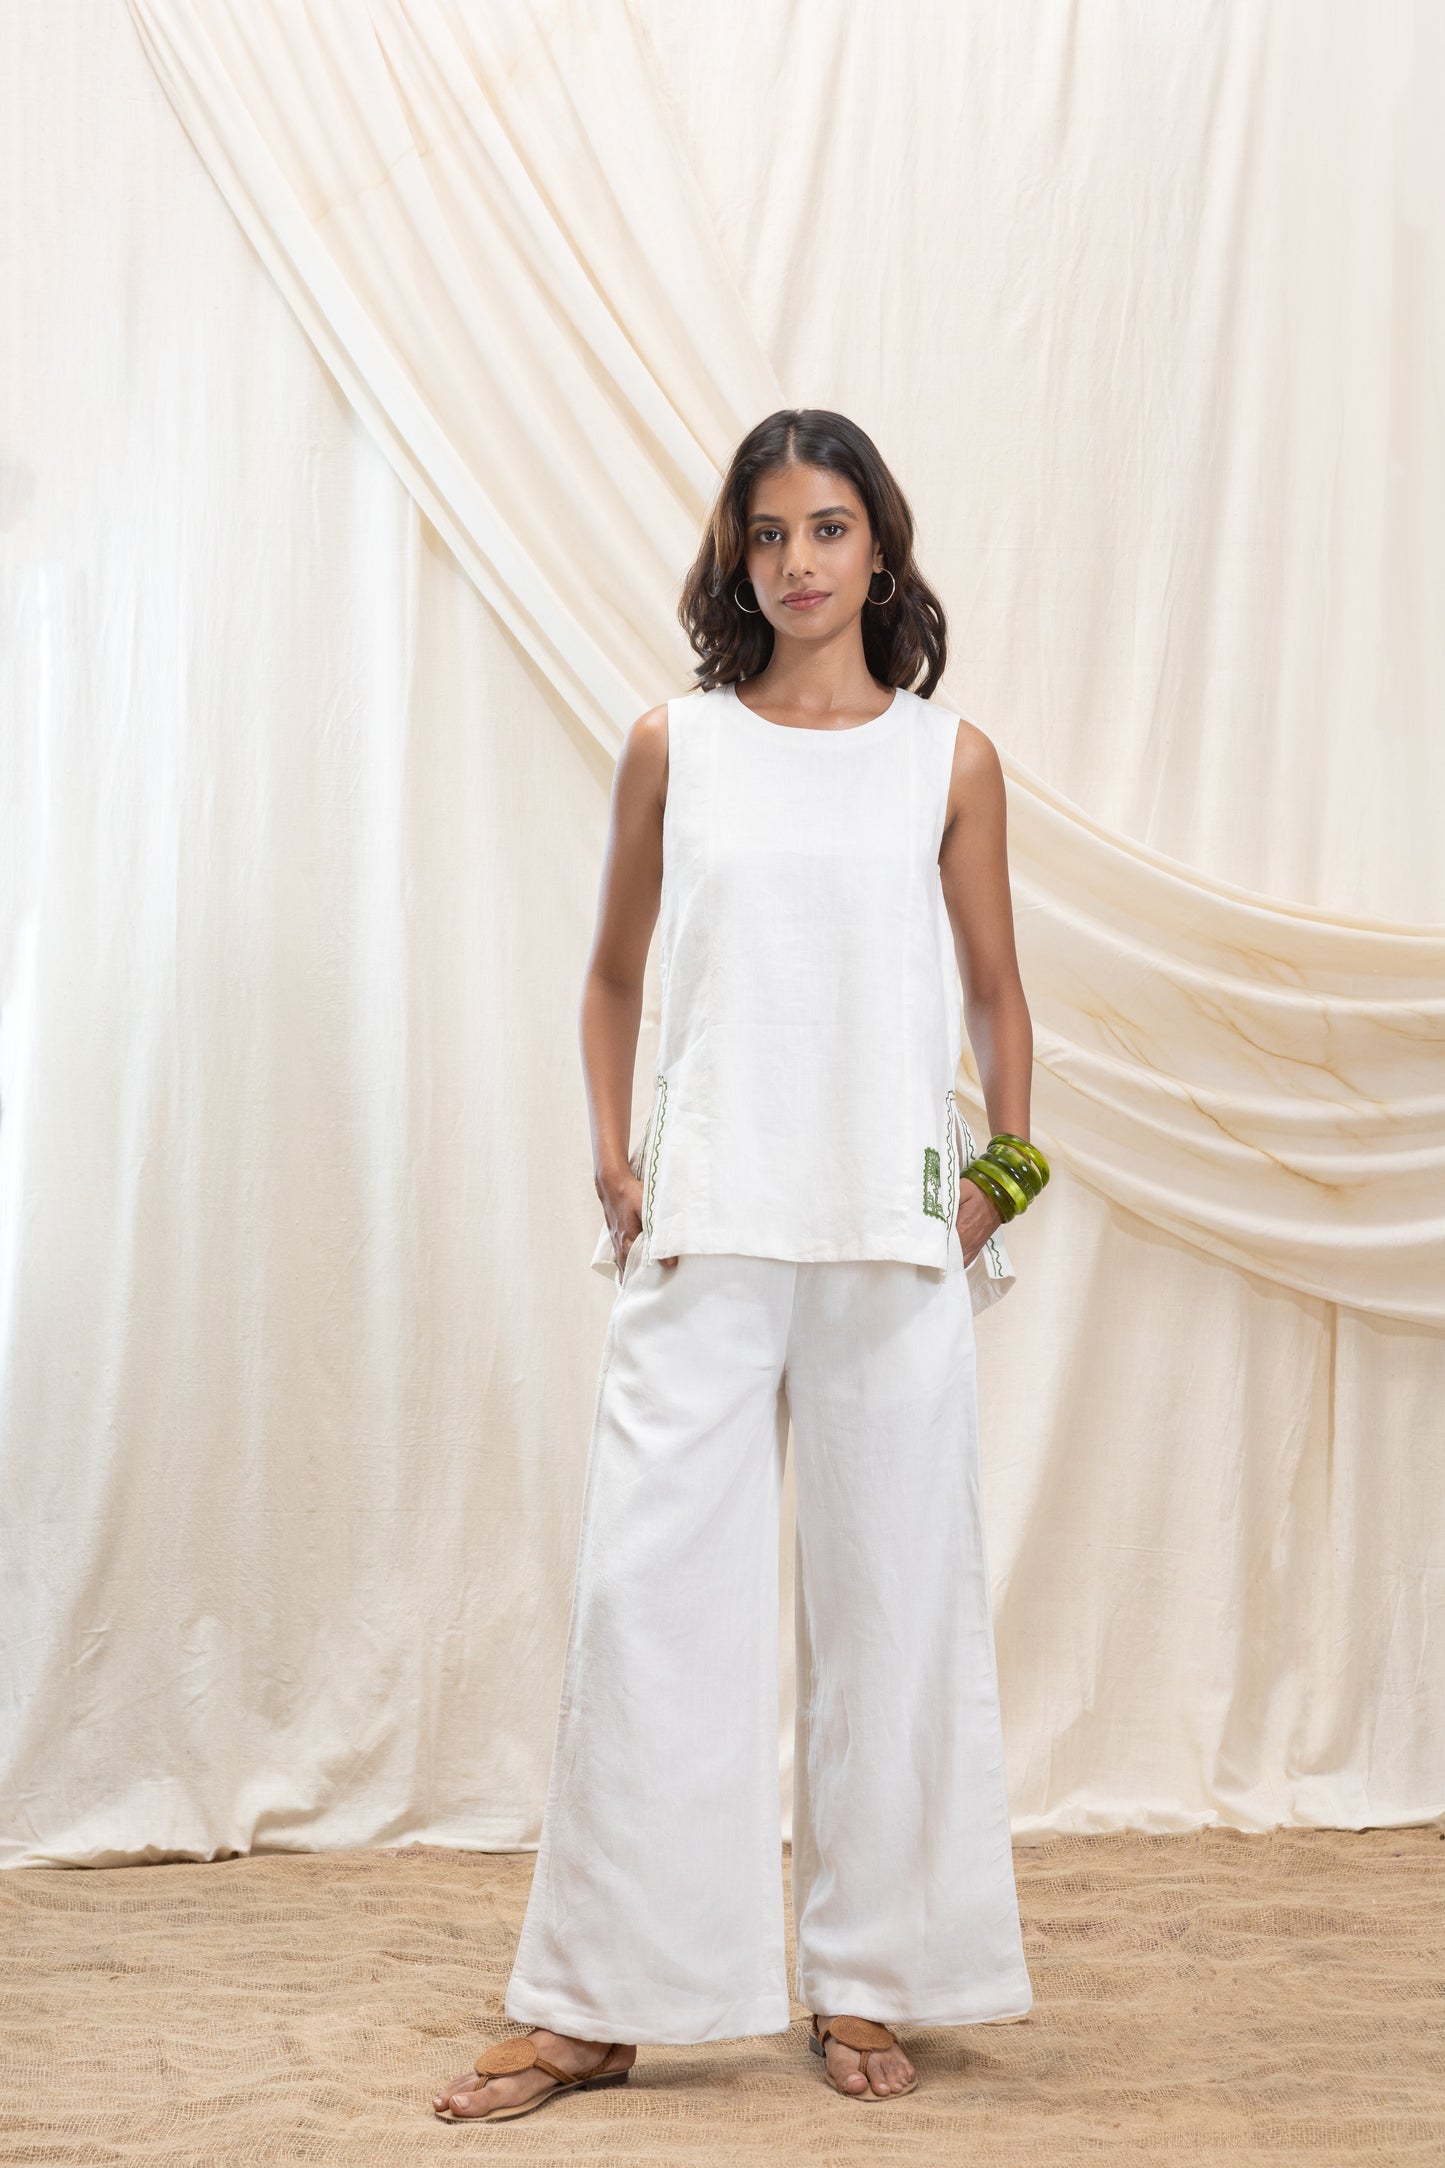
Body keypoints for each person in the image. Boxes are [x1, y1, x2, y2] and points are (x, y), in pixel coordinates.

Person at [432, 408, 1048, 2124]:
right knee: (649, 1609)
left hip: (886, 1241)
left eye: (827, 528)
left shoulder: (947, 761)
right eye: (767, 534)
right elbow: (610, 976)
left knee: (894, 1616)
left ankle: (872, 1975)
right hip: (705, 1227)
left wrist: (1000, 1179)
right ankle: (602, 2003)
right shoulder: (675, 745)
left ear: (880, 548)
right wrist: (615, 1157)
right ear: (735, 558)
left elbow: (997, 994)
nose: (796, 562)